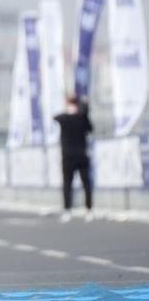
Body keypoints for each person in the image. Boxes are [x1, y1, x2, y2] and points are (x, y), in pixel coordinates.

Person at [54, 95, 94, 223]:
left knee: (70, 184)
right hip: (79, 155)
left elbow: (56, 117)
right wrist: (84, 108)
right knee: (84, 184)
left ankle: (70, 210)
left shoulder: (65, 118)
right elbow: (90, 127)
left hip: (71, 156)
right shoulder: (81, 117)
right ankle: (87, 210)